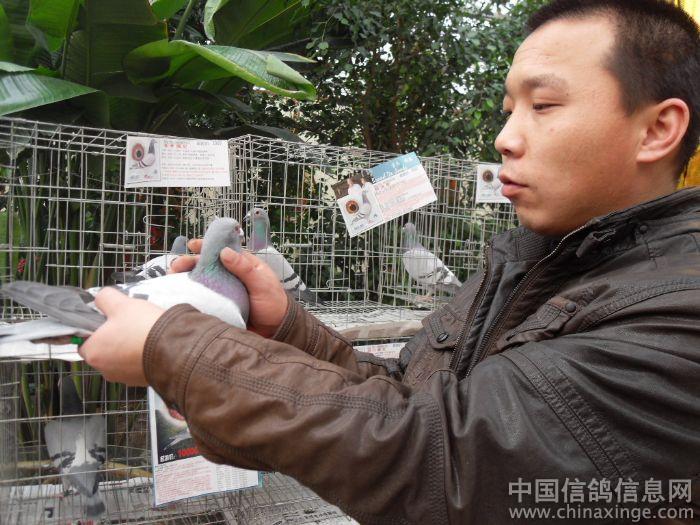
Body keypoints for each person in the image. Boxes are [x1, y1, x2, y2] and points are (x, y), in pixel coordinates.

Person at [80, 0, 700, 522]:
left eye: (543, 106)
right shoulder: (527, 262)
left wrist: (178, 347)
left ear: (657, 130)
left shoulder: (678, 317)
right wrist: (285, 330)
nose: (505, 138)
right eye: (509, 109)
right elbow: (408, 396)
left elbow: (440, 457)